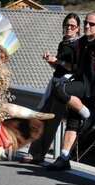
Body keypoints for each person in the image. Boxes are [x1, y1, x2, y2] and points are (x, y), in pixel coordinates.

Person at [46, 10, 95, 171]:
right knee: (72, 120)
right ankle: (64, 157)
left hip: (94, 87)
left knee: (60, 90)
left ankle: (89, 114)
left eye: (92, 24)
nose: (87, 26)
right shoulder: (82, 42)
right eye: (86, 22)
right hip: (82, 85)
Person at [21, 13, 81, 165]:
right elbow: (59, 67)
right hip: (56, 82)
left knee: (52, 120)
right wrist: (51, 61)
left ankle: (39, 153)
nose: (69, 28)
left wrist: (58, 61)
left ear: (78, 28)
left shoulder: (78, 45)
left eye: (72, 26)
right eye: (67, 25)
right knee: (42, 117)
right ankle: (34, 151)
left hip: (66, 86)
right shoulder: (64, 43)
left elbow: (75, 68)